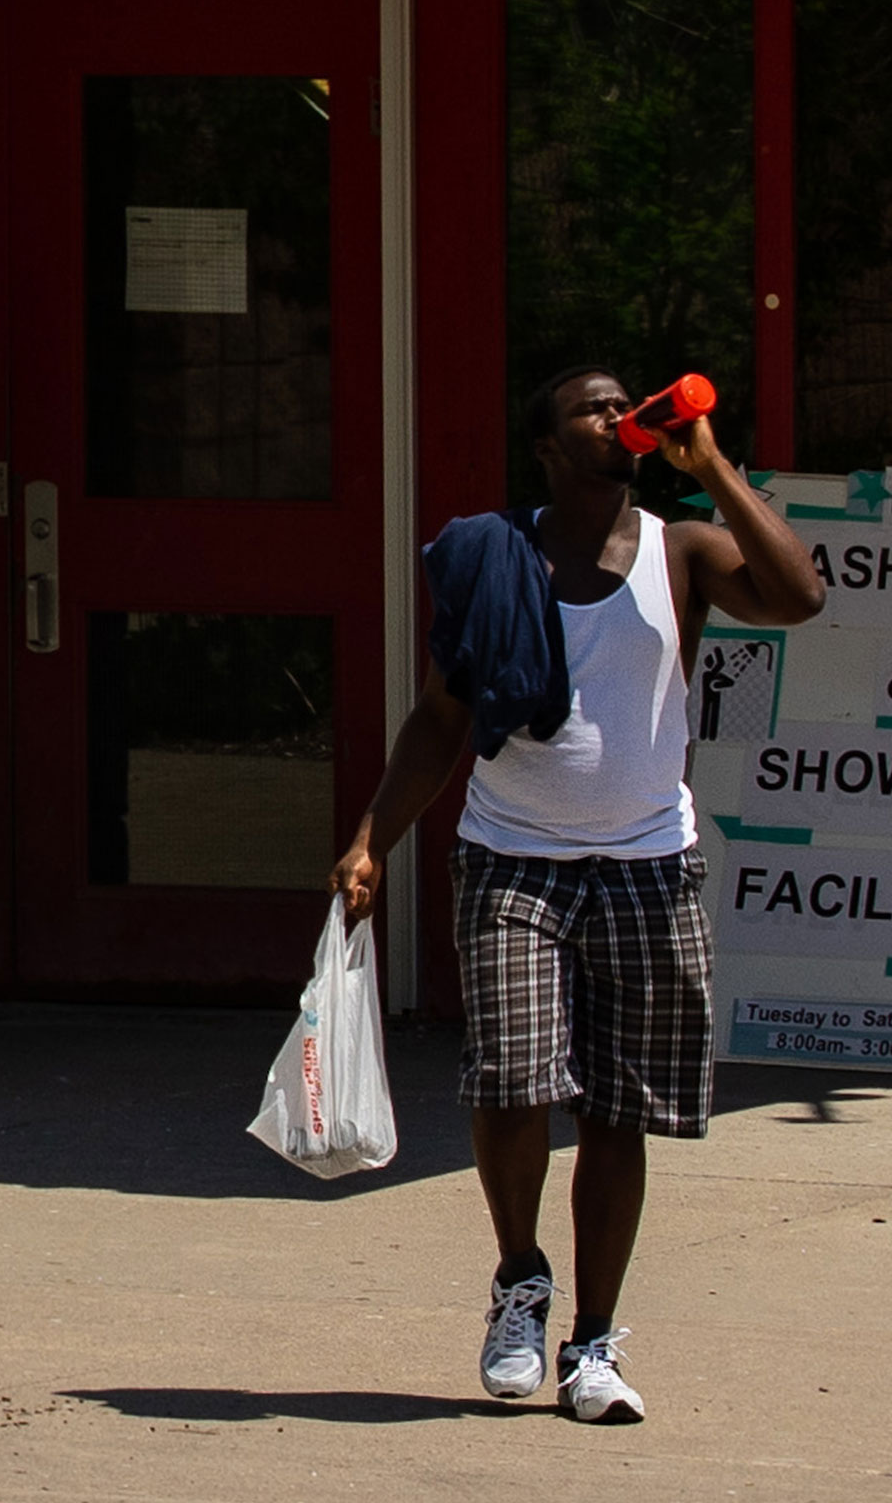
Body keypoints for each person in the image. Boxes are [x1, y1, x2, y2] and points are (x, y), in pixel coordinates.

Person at [331, 366, 825, 1423]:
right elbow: (439, 719)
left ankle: (593, 1342)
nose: (619, 417)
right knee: (510, 1077)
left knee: (620, 1109)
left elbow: (799, 595)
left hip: (648, 862)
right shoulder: (498, 553)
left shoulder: (680, 548)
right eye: (593, 409)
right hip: (513, 855)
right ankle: (521, 1277)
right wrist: (375, 835)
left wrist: (714, 466)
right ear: (551, 446)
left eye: (623, 404)